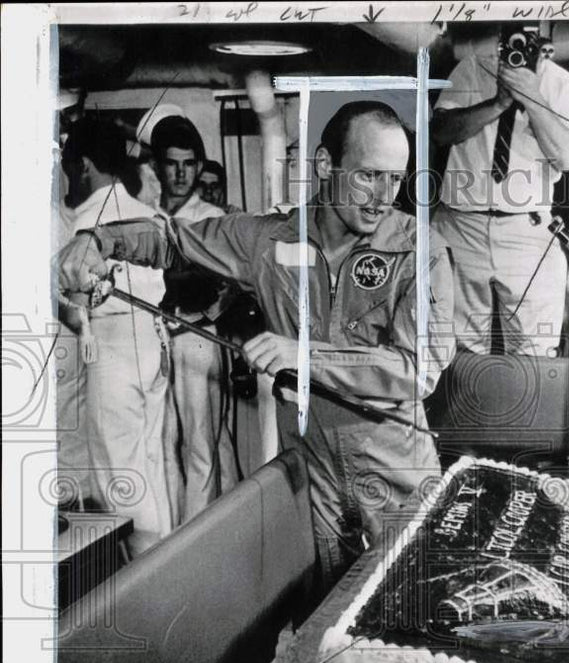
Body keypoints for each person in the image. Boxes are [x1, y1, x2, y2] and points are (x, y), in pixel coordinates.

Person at [58, 101, 455, 592]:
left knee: (409, 607)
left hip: (396, 472)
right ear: (327, 166)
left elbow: (420, 370)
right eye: (369, 175)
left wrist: (303, 355)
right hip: (314, 477)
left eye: (395, 179)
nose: (383, 196)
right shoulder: (268, 241)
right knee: (324, 616)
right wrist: (98, 240)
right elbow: (174, 240)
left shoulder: (420, 250)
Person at [431, 26, 569, 355]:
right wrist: (500, 102)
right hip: (461, 226)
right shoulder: (472, 68)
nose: (522, 48)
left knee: (534, 352)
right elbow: (441, 132)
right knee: (453, 349)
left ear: (548, 42)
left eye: (533, 41)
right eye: (514, 39)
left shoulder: (566, 86)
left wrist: (532, 98)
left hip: (527, 232)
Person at [58, 118, 173, 555]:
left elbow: (74, 307)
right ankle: (167, 570)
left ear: (85, 164)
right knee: (151, 464)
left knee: (120, 482)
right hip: (155, 345)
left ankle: (148, 598)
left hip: (111, 348)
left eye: (70, 166)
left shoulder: (82, 226)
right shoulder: (149, 215)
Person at [150, 115, 239, 524]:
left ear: (200, 166)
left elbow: (235, 281)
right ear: (158, 166)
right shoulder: (147, 213)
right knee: (165, 441)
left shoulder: (210, 217)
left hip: (197, 339)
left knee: (202, 446)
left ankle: (200, 543)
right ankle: (183, 534)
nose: (182, 173)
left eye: (189, 164)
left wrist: (206, 315)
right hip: (154, 342)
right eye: (173, 164)